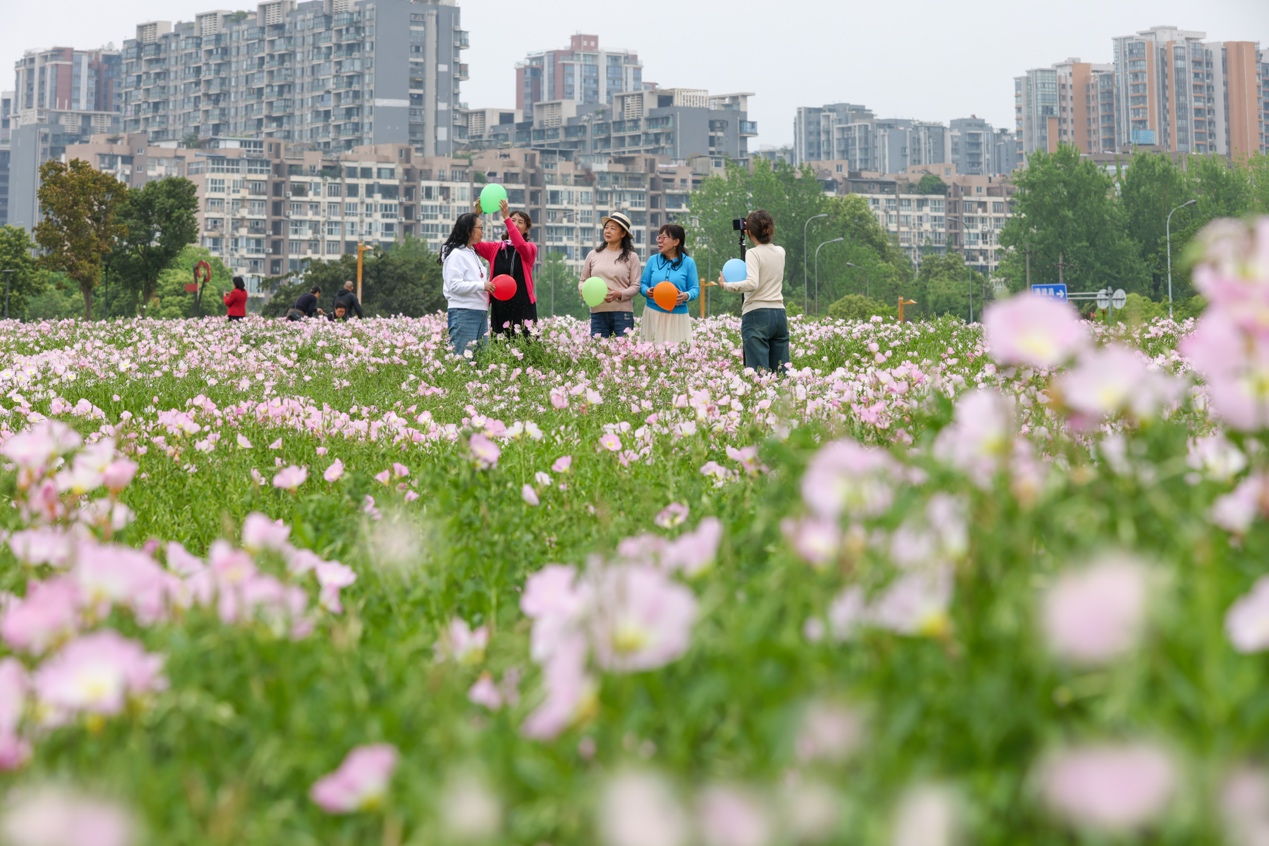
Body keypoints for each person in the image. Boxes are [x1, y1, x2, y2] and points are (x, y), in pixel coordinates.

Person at [716, 210, 789, 374]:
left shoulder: (752, 253)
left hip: (757, 314)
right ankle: (783, 399)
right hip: (779, 314)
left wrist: (726, 285)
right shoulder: (780, 251)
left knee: (758, 374)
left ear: (749, 232)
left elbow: (752, 283)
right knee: (781, 371)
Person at [474, 199, 537, 338]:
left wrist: (507, 218)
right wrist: (476, 215)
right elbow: (474, 242)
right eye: (513, 220)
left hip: (523, 305)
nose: (515, 224)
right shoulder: (495, 249)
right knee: (500, 342)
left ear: (526, 229)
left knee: (525, 343)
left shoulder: (529, 249)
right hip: (500, 305)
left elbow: (519, 244)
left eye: (520, 222)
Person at [440, 212, 497, 356]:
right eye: (480, 228)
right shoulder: (456, 255)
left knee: (479, 361)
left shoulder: (471, 252)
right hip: (464, 311)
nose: (482, 231)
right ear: (468, 230)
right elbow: (454, 286)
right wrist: (482, 285)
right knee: (462, 358)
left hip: (480, 311)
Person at [578, 211, 641, 338]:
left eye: (613, 228)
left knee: (623, 352)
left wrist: (619, 294)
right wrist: (583, 290)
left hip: (622, 313)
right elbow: (583, 280)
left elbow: (636, 286)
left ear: (623, 233)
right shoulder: (593, 255)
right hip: (598, 312)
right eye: (606, 228)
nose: (608, 231)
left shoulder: (631, 257)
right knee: (598, 351)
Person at [639, 224, 699, 345]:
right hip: (653, 314)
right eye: (658, 238)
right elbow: (642, 284)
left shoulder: (688, 263)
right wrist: (646, 291)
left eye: (664, 238)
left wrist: (686, 295)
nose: (659, 241)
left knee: (678, 354)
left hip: (678, 317)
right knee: (652, 353)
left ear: (676, 241)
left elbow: (695, 289)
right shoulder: (652, 260)